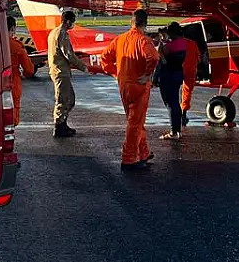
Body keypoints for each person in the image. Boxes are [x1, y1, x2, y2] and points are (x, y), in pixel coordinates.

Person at [99, 9, 159, 171]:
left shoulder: (120, 39)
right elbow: (153, 58)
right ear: (145, 24)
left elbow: (104, 57)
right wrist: (147, 75)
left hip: (123, 85)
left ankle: (143, 152)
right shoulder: (144, 40)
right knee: (135, 122)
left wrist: (113, 72)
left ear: (131, 22)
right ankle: (129, 158)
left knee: (135, 121)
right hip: (138, 86)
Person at [46, 9, 87, 137]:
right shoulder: (62, 34)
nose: (73, 24)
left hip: (58, 70)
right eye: (73, 21)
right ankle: (59, 127)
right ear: (68, 21)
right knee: (63, 100)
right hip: (61, 72)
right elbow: (69, 54)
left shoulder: (53, 33)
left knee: (69, 99)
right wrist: (83, 67)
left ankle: (62, 123)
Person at [156, 22, 190, 139]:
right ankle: (178, 130)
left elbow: (161, 59)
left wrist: (160, 48)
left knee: (169, 104)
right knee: (176, 102)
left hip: (167, 75)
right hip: (178, 74)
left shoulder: (169, 46)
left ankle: (173, 132)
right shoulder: (183, 43)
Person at [7, 15, 36, 125]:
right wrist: (23, 74)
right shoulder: (16, 46)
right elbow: (29, 70)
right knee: (12, 116)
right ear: (13, 28)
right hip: (12, 82)